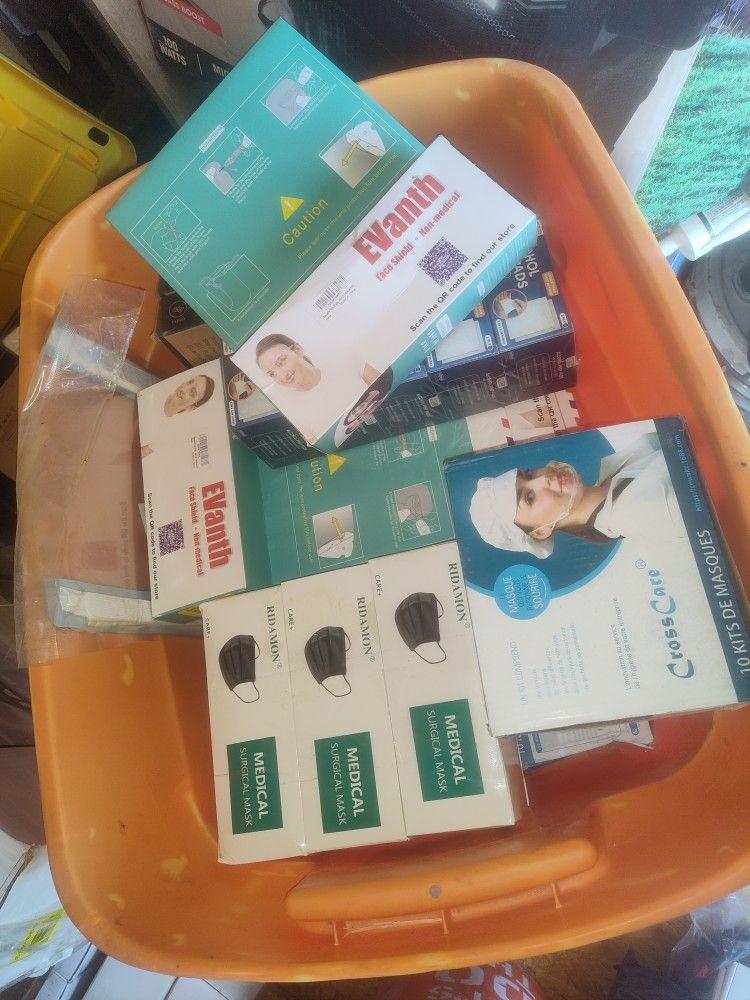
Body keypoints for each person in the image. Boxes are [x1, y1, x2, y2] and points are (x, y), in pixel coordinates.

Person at [469, 432, 683, 558]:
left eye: (530, 474)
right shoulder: (640, 511)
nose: (543, 479)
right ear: (541, 532)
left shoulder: (607, 479)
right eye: (529, 498)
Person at [255, 333, 380, 443]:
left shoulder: (344, 359)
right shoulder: (290, 413)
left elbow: (387, 383)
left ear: (297, 349)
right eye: (272, 374)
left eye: (281, 362)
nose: (282, 375)